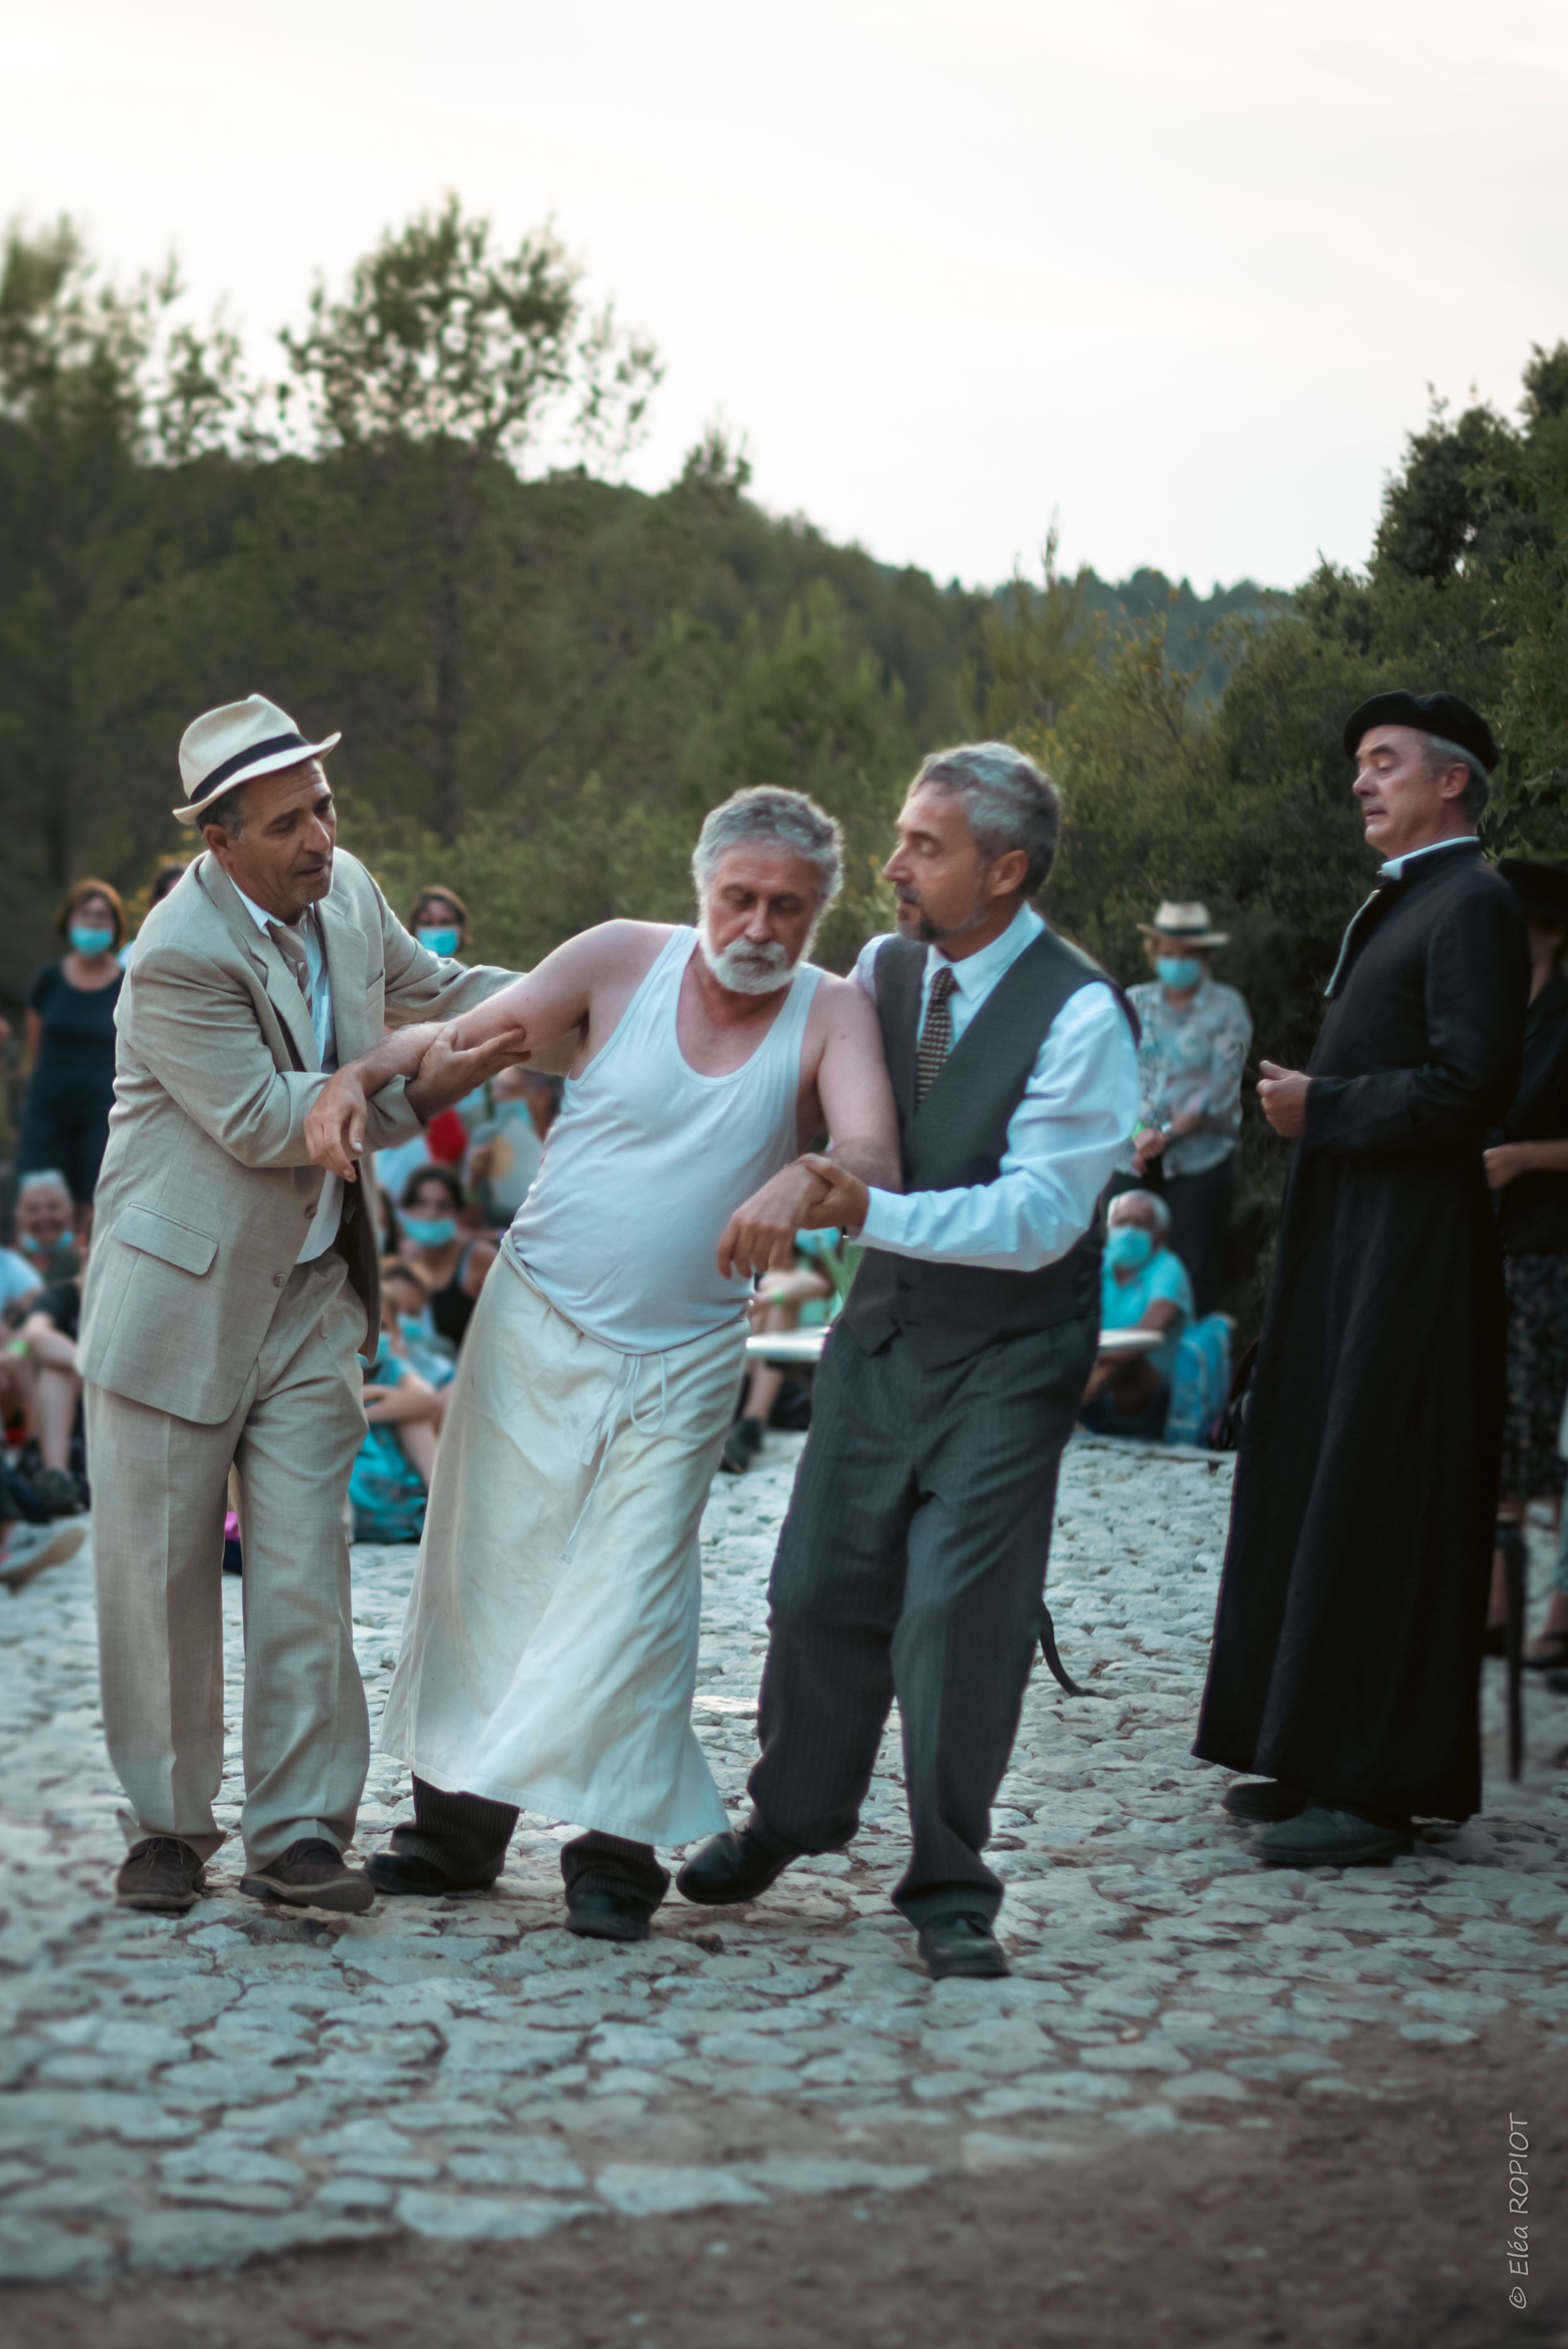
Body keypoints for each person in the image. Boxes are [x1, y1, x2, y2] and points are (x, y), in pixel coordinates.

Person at [364, 786, 898, 1940]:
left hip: (691, 1347)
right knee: (488, 1570)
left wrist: (798, 1181)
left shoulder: (833, 1012)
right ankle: (455, 1833)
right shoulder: (616, 960)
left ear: (818, 916)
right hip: (534, 1318)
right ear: (702, 889)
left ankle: (612, 1854)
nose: (760, 928)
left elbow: (871, 1155)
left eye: (788, 910)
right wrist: (369, 1081)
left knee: (638, 1590)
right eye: (740, 899)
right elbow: (469, 1037)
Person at [678, 744, 1140, 1981]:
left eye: (922, 847)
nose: (888, 867)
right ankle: (794, 1816)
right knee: (818, 1588)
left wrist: (855, 1212)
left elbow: (1039, 1218)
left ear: (1005, 868)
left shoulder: (1083, 1013)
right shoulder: (878, 970)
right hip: (880, 1335)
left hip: (1012, 1351)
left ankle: (949, 1883)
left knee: (954, 1615)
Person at [80, 693, 526, 1917]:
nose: (320, 838)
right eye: (287, 823)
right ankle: (169, 1827)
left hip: (317, 1297)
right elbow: (280, 1120)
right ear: (220, 841)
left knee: (303, 1576)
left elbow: (435, 988)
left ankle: (298, 1836)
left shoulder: (347, 890)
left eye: (323, 806)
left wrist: (593, 988)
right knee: (161, 1584)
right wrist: (426, 1076)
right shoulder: (172, 955)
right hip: (179, 1302)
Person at [1194, 691, 1529, 1867]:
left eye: (1383, 762)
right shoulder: (1406, 905)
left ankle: (1376, 1790)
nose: (1360, 782)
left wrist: (1318, 1106)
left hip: (1413, 1257)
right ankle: (1312, 1750)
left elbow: (1469, 1087)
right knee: (1319, 1477)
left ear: (1452, 782)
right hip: (1356, 1244)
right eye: (1358, 766)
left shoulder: (1476, 904)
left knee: (1387, 1490)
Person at [1483, 859, 1568, 1667]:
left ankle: (1542, 1606)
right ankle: (1501, 1600)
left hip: (1554, 1244)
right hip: (1501, 1242)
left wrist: (1524, 1160)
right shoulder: (1505, 1015)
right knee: (1503, 1420)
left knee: (1534, 1424)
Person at [1128, 901, 1251, 1316]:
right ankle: (1128, 1370)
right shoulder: (1134, 1002)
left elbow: (1217, 1090)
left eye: (1186, 954)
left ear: (1203, 956)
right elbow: (1111, 1076)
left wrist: (1160, 1135)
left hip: (1200, 1157)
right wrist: (1136, 1133)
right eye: (1167, 952)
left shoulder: (1227, 1009)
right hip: (1133, 1157)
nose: (1175, 961)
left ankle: (1191, 1370)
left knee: (1192, 1271)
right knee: (1127, 1265)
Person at [19, 880, 127, 1213]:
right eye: (85, 916)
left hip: (104, 1118)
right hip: (46, 1115)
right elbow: (34, 1050)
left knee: (93, 1213)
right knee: (41, 1211)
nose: (93, 924)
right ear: (69, 921)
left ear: (115, 927)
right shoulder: (48, 980)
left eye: (101, 917)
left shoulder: (129, 985)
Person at [720, 1228, 848, 1474]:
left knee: (777, 1303)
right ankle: (749, 1423)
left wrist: (767, 1300)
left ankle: (751, 1421)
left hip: (797, 1384)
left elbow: (819, 1284)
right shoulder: (775, 1281)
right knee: (767, 1306)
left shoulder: (810, 1282)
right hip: (763, 1376)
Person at [1078, 1188, 1194, 1440]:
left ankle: (1059, 1418)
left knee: (1124, 1362)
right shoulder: (1098, 1264)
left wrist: (1094, 1351)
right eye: (1122, 1222)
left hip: (1153, 1396)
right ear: (1109, 1228)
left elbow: (1150, 1332)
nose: (1129, 1231)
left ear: (1159, 1236)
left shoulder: (1167, 1267)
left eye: (1139, 1224)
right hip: (1096, 1378)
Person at [349, 1291, 445, 1544]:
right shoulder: (332, 1369)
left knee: (415, 1421)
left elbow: (425, 1400)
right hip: (349, 1503)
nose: (371, 1335)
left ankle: (443, 1505)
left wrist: (362, 1414)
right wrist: (373, 1394)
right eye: (362, 1324)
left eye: (382, 1326)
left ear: (396, 1335)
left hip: (399, 1502)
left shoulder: (392, 1368)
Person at [397, 1165, 495, 1349]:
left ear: (458, 1212)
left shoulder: (479, 1258)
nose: (431, 1214)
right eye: (421, 1203)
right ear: (407, 1210)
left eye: (442, 1206)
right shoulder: (402, 1259)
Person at [464, 1064, 548, 1226]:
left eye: (508, 1090)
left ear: (541, 1096)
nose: (496, 1097)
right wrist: (474, 1179)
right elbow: (468, 1222)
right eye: (496, 1088)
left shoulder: (559, 1138)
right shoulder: (485, 1138)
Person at [10, 1170, 79, 1284]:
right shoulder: (11, 1265)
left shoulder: (85, 1260)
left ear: (69, 1211)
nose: (44, 1216)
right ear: (20, 1217)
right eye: (33, 1209)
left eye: (53, 1207)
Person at [120, 862, 190, 968]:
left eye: (189, 896)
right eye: (175, 897)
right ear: (156, 903)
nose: (184, 905)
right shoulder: (132, 954)